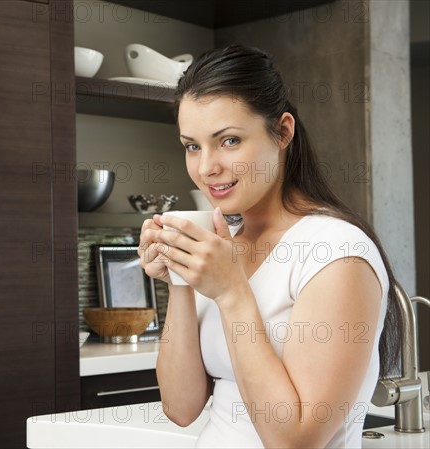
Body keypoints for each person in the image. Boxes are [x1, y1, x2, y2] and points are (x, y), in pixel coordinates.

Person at [138, 45, 402, 448]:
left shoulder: (335, 252)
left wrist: (230, 291)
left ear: (283, 131)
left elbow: (294, 440)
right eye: (192, 146)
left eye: (228, 141)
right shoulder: (224, 247)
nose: (207, 166)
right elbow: (181, 406)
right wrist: (180, 277)